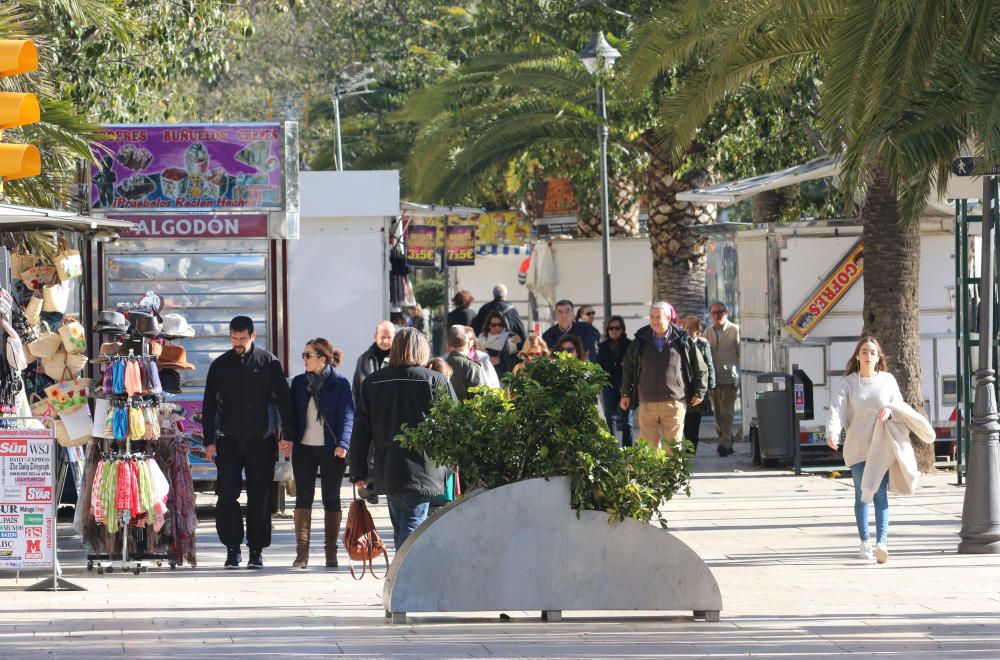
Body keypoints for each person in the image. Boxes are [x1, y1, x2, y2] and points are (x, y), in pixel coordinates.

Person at [826, 336, 932, 564]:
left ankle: (881, 543)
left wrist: (890, 413)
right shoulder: (848, 383)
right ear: (857, 356)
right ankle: (865, 542)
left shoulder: (887, 381)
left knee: (880, 494)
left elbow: (900, 408)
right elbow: (837, 409)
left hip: (881, 447)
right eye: (864, 351)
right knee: (862, 494)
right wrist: (832, 432)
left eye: (872, 352)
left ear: (878, 357)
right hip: (857, 447)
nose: (868, 356)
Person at [203, 316, 295, 570]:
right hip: (229, 442)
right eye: (234, 338)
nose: (238, 343)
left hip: (260, 442)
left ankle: (256, 549)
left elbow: (284, 402)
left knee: (260, 497)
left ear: (253, 336)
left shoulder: (269, 363)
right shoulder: (221, 366)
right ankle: (232, 548)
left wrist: (287, 436)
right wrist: (209, 441)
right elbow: (210, 405)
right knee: (227, 495)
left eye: (242, 339)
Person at [350, 328, 457, 548]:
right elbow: (454, 424)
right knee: (411, 526)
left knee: (401, 525)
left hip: (388, 465)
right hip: (424, 466)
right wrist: (449, 465)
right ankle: (402, 579)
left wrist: (358, 470)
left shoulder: (373, 382)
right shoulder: (435, 381)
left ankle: (399, 577)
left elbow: (361, 430)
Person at [288, 338, 353, 569]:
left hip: (331, 449)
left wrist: (344, 443)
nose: (304, 359)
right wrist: (286, 439)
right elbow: (290, 415)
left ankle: (330, 552)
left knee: (331, 498)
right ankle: (302, 553)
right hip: (304, 448)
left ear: (322, 359)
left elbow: (348, 415)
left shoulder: (340, 383)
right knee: (303, 497)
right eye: (303, 355)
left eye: (308, 355)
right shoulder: (298, 383)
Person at [620, 303, 708, 457]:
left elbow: (700, 367)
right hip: (647, 402)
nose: (654, 321)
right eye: (652, 317)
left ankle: (673, 480)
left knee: (673, 449)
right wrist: (625, 393)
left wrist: (699, 391)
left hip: (674, 402)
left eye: (658, 317)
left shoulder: (682, 340)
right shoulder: (640, 341)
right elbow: (628, 367)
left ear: (668, 318)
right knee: (647, 450)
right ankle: (652, 481)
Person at [352, 321, 395, 504]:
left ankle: (386, 484)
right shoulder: (365, 359)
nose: (385, 341)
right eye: (382, 337)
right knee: (369, 451)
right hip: (370, 412)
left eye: (389, 337)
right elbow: (357, 387)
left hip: (391, 415)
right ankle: (371, 487)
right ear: (375, 337)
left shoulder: (398, 359)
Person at [706, 302, 740, 457]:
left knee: (727, 412)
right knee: (718, 413)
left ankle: (724, 444)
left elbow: (741, 353)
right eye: (714, 312)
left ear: (726, 313)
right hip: (713, 379)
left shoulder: (734, 330)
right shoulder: (707, 332)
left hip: (729, 379)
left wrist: (739, 374)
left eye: (720, 312)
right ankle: (727, 440)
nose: (717, 315)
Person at [597, 315, 633, 447]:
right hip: (609, 386)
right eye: (611, 328)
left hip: (626, 386)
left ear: (622, 329)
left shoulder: (630, 344)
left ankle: (628, 450)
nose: (614, 331)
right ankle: (611, 448)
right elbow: (599, 365)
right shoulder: (602, 346)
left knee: (627, 420)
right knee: (609, 417)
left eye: (617, 328)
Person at [682, 316, 716, 456]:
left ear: (698, 330)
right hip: (684, 387)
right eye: (686, 327)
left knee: (694, 420)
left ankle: (691, 449)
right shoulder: (680, 343)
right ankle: (686, 446)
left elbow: (708, 364)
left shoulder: (702, 343)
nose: (689, 330)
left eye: (692, 328)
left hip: (697, 387)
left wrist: (711, 384)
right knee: (684, 420)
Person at [444, 325, 487, 400]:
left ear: (447, 345)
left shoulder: (438, 365)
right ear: (468, 344)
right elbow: (480, 399)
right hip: (467, 411)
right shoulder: (473, 367)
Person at [477, 311, 519, 379]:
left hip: (503, 377)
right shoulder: (481, 338)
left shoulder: (510, 337)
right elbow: (476, 357)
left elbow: (514, 359)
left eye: (500, 325)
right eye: (494, 325)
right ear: (488, 325)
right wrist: (487, 360)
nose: (497, 327)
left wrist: (501, 360)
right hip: (485, 375)